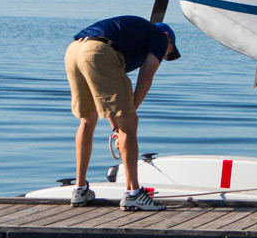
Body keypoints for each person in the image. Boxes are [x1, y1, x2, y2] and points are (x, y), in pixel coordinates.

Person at [66, 15, 180, 210]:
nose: (165, 57)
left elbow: (106, 97)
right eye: (169, 52)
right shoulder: (159, 36)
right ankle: (133, 193)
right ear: (168, 37)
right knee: (130, 124)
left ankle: (80, 189)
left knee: (87, 120)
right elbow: (145, 78)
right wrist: (125, 120)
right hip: (99, 51)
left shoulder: (133, 37)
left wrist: (116, 127)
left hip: (74, 50)